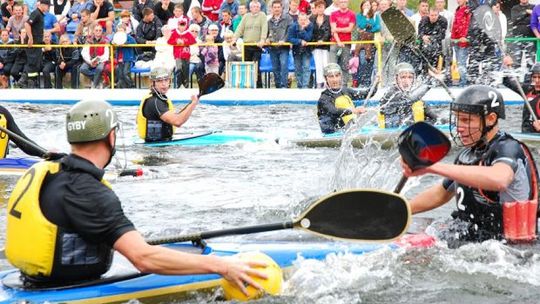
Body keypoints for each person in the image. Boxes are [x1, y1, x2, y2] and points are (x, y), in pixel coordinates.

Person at [5, 99, 268, 293]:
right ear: (111, 136)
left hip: (29, 281)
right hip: (66, 290)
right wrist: (222, 266)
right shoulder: (90, 193)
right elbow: (144, 259)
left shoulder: (49, 169)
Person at [401, 85, 539, 246]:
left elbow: (500, 179)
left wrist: (432, 167)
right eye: (458, 119)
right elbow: (441, 194)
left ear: (491, 119)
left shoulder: (508, 148)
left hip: (508, 250)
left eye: (467, 120)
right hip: (472, 237)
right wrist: (401, 211)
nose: (459, 127)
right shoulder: (467, 154)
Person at [137, 67, 199, 142]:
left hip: (160, 143)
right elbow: (178, 122)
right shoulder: (155, 102)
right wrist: (193, 103)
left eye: (166, 80)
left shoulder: (158, 98)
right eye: (159, 81)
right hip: (155, 150)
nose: (164, 84)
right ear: (152, 83)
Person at [378, 62, 437, 128]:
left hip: (411, 134)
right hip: (390, 136)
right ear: (395, 79)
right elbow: (408, 99)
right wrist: (431, 81)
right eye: (403, 77)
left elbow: (435, 119)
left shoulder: (418, 100)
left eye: (410, 77)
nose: (407, 81)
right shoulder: (390, 95)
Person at [317, 63, 369, 134]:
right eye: (331, 76)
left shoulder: (345, 91)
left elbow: (365, 94)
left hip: (345, 129)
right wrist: (354, 110)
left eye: (337, 76)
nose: (335, 79)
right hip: (331, 132)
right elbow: (334, 111)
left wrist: (376, 83)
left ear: (340, 76)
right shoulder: (324, 98)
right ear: (326, 78)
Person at [503, 63, 540, 133]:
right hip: (526, 137)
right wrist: (505, 66)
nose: (537, 81)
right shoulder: (527, 89)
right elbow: (506, 81)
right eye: (534, 77)